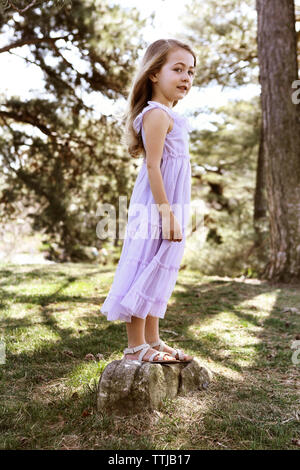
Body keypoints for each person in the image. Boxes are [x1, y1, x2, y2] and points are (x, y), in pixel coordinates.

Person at [100, 38, 196, 364]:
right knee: (144, 264)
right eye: (178, 69)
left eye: (191, 72)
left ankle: (152, 340)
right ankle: (135, 346)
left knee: (158, 269)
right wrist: (166, 213)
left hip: (170, 204)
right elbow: (153, 166)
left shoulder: (170, 114)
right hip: (157, 206)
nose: (186, 77)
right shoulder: (156, 114)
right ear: (154, 74)